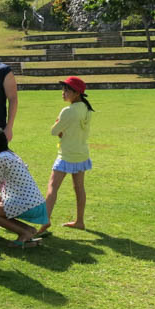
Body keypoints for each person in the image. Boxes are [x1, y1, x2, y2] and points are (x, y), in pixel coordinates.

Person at [39, 76, 94, 235]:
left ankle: (45, 221)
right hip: (81, 154)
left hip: (66, 155)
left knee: (52, 186)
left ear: (76, 93)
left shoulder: (68, 111)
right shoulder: (86, 108)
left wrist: (61, 129)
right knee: (79, 188)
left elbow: (54, 131)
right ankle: (80, 221)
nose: (63, 92)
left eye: (67, 90)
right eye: (63, 89)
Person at [0, 127, 48, 247]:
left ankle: (24, 233)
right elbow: (7, 186)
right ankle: (29, 230)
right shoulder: (10, 155)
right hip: (35, 203)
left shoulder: (1, 158)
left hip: (26, 204)